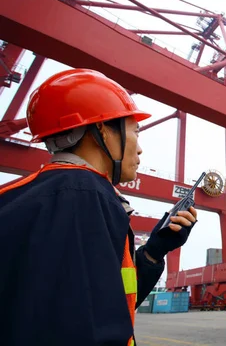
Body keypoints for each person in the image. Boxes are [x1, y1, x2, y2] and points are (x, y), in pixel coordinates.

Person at [0, 69, 197, 345]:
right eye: (135, 132)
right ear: (102, 129)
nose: (139, 149)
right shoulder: (85, 196)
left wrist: (154, 251)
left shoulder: (18, 198)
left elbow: (104, 304)